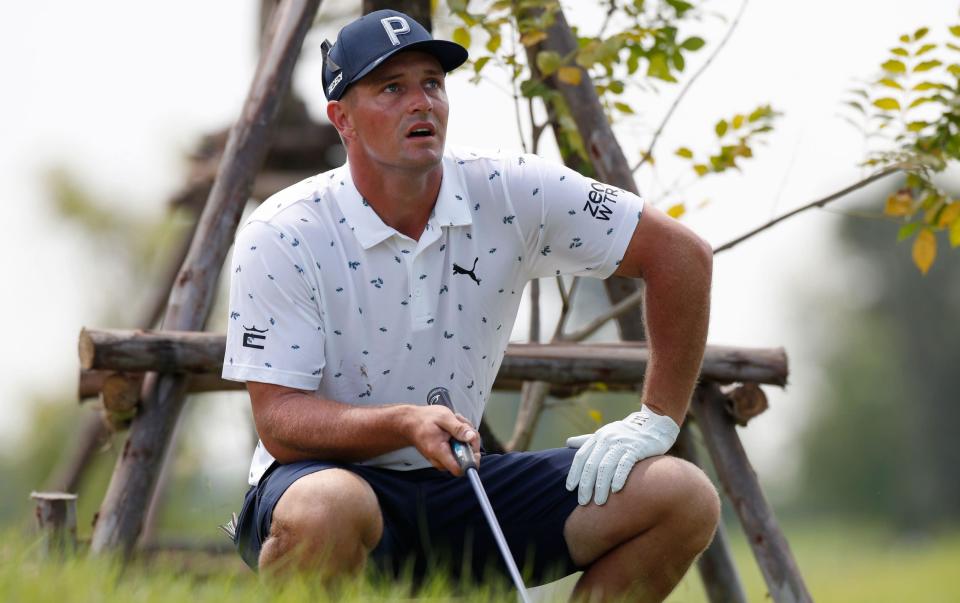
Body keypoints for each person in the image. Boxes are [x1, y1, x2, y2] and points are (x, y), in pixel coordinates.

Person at [222, 9, 718, 602]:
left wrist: (657, 420)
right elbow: (279, 422)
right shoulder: (282, 230)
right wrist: (401, 422)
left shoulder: (514, 188)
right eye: (391, 88)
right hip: (318, 485)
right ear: (342, 119)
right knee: (331, 504)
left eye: (432, 83)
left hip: (460, 486)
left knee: (682, 495)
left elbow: (682, 256)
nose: (422, 103)